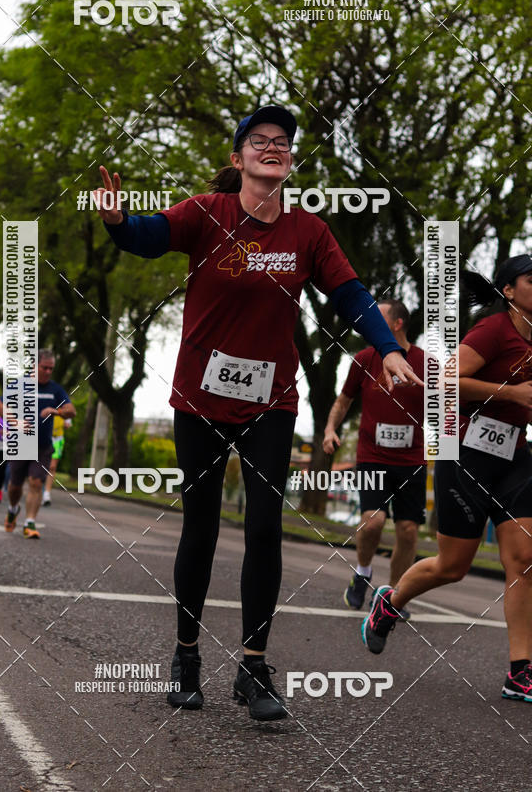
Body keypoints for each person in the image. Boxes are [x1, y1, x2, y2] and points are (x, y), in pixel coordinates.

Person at [96, 104, 422, 721]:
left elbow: (351, 294)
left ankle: (253, 665)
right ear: (238, 156)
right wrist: (117, 222)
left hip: (270, 400)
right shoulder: (205, 213)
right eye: (259, 141)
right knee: (202, 528)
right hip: (200, 398)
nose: (272, 148)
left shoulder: (308, 232)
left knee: (266, 528)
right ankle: (187, 656)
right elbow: (147, 235)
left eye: (282, 142)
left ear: (290, 162)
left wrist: (388, 347)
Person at [362, 255, 532, 704]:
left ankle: (520, 673)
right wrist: (512, 393)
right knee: (452, 566)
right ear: (509, 291)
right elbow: (443, 382)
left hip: (516, 456)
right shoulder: (494, 330)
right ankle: (390, 602)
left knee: (524, 563)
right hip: (467, 456)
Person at [323, 299, 425, 615]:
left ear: (397, 324)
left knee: (408, 531)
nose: (369, 323)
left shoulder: (427, 364)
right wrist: (329, 429)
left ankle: (393, 597)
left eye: (377, 319)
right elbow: (343, 401)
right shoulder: (365, 359)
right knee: (373, 523)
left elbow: (445, 411)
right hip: (373, 456)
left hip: (412, 461)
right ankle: (363, 574)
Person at [4, 350, 75, 538]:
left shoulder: (55, 390)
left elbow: (71, 411)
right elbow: (1, 406)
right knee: (15, 486)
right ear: (34, 366)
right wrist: (14, 421)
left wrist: (56, 411)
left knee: (36, 483)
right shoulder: (19, 384)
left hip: (43, 446)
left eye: (51, 368)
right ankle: (12, 509)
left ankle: (29, 523)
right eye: (45, 367)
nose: (48, 371)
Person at [42, 413, 71, 506]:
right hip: (45, 437)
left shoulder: (64, 406)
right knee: (42, 466)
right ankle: (39, 487)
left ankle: (47, 493)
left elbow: (68, 423)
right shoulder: (48, 402)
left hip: (57, 439)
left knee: (52, 467)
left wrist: (65, 424)